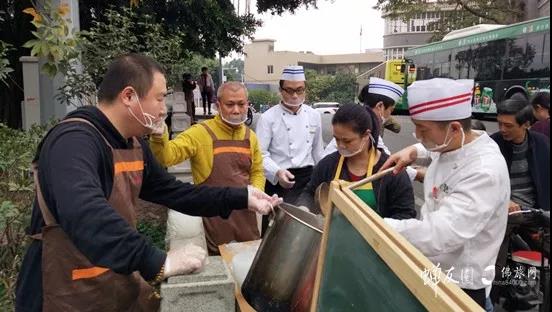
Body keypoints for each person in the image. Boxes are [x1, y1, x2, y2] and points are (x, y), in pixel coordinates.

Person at [15, 54, 281, 312]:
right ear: (129, 97)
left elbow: (174, 192)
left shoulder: (132, 143)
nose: (162, 108)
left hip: (112, 281)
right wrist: (158, 261)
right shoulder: (75, 141)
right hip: (62, 290)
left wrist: (241, 197)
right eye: (159, 98)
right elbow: (85, 213)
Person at [380, 78, 510, 308]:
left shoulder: (484, 172)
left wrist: (378, 225)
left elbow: (439, 234)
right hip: (433, 268)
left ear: (455, 128)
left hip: (461, 283)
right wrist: (414, 151)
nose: (417, 135)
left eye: (423, 129)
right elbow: (438, 149)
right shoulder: (457, 143)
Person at [149, 81, 265, 255]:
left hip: (246, 214)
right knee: (219, 265)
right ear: (218, 105)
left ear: (247, 104)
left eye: (241, 104)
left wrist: (256, 192)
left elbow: (257, 171)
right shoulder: (199, 132)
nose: (236, 110)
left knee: (248, 263)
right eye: (230, 104)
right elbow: (167, 157)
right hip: (213, 214)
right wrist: (159, 137)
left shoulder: (251, 137)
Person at [296, 104, 416, 220]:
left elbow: (406, 215)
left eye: (347, 141)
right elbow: (309, 193)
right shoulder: (328, 164)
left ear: (366, 135)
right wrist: (304, 208)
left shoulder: (390, 171)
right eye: (337, 139)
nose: (341, 146)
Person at [255, 65, 324, 234]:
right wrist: (277, 172)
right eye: (289, 90)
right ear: (281, 90)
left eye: (299, 90)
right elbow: (260, 155)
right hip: (279, 181)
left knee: (305, 231)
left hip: (308, 180)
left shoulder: (314, 115)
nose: (295, 95)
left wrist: (322, 178)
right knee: (276, 231)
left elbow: (318, 151)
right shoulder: (268, 118)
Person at [323, 77, 421, 182]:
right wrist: (418, 174)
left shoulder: (362, 121)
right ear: (380, 106)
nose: (389, 115)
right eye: (391, 110)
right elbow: (387, 163)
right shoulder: (366, 128)